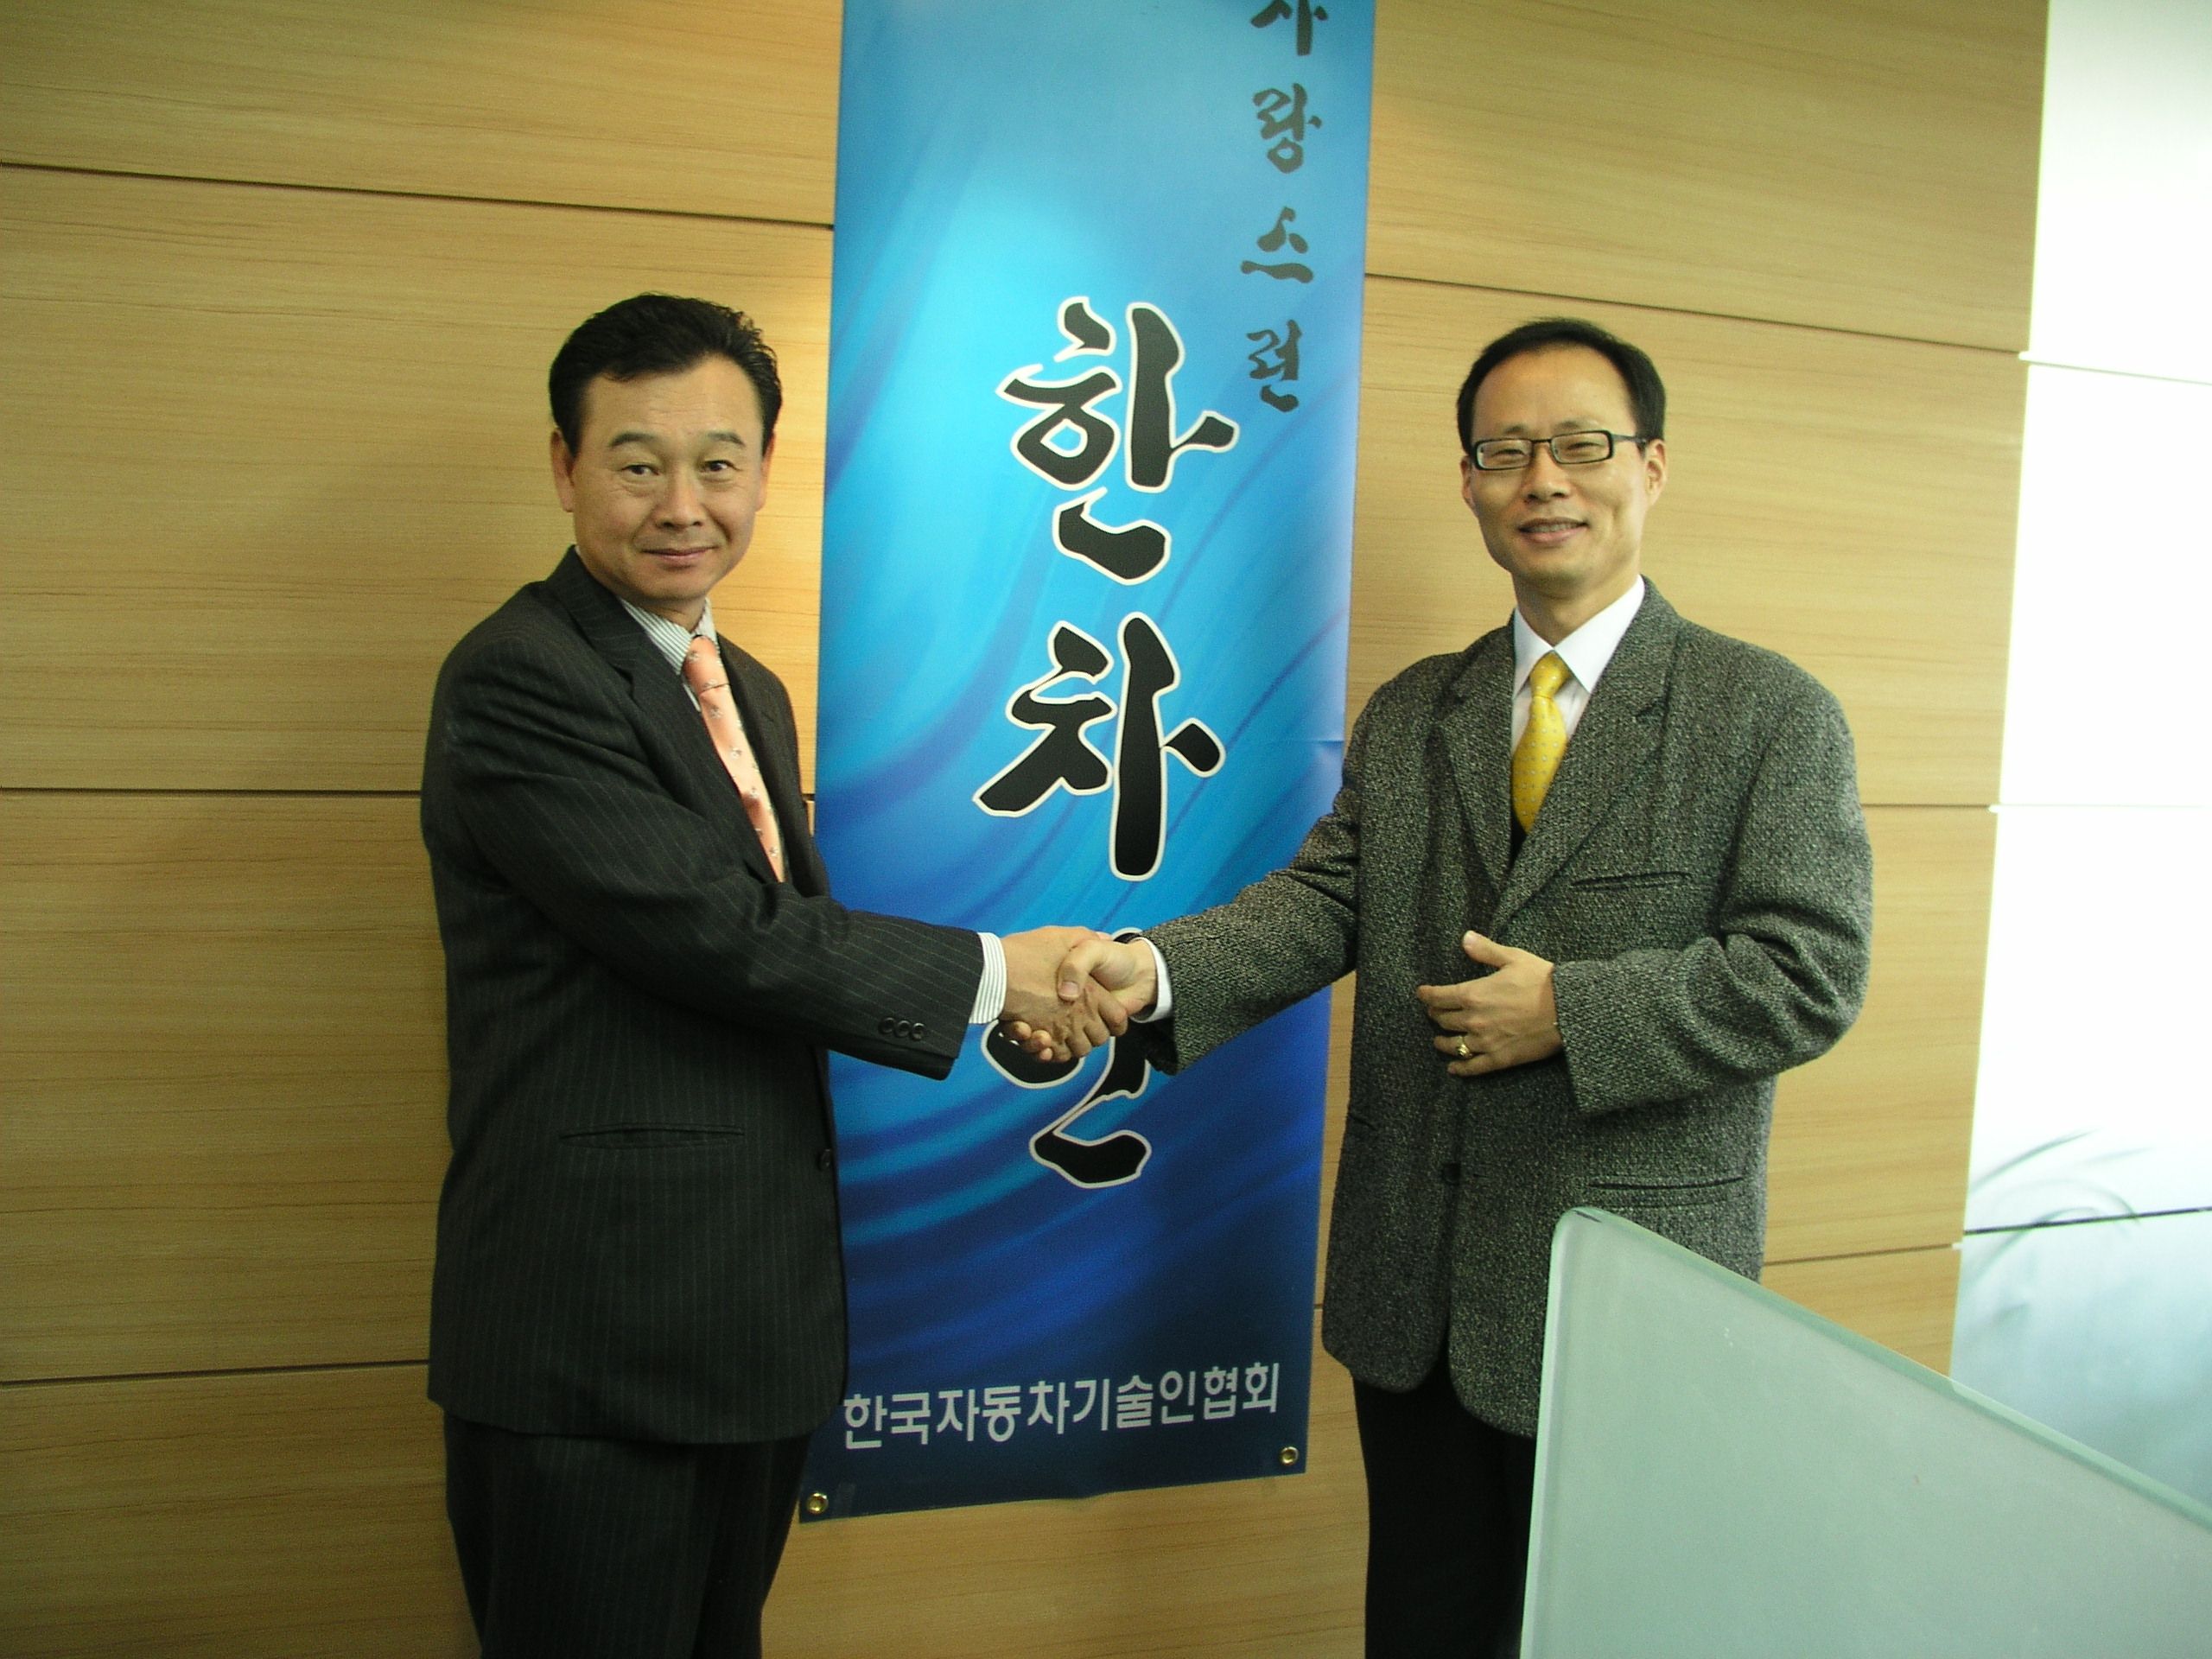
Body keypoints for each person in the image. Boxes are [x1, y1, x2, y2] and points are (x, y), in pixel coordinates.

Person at [1044, 317, 1873, 1657]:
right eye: (1505, 452)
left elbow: (1809, 971)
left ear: (1652, 467)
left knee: (1607, 1634)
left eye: (1582, 446)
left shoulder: (1765, 713)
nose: (1543, 480)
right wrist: (1154, 970)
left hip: (1629, 1302)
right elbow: (1325, 901)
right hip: (1415, 1289)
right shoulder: (1420, 707)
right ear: (1472, 483)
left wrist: (1573, 1013)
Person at [419, 293, 1120, 1658]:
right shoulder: (519, 678)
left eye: (719, 463)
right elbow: (712, 932)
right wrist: (995, 976)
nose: (684, 505)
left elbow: (777, 947)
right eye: (638, 464)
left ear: (766, 469)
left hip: (745, 1321)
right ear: (564, 466)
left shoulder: (742, 682)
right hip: (593, 1340)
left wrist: (1002, 1018)